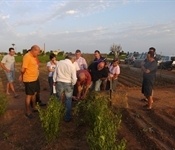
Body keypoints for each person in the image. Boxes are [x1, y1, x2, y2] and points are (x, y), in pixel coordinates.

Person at [53, 54, 77, 122]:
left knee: (58, 99)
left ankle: (56, 114)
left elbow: (55, 73)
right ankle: (67, 117)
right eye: (74, 60)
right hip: (68, 83)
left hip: (59, 82)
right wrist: (73, 84)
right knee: (68, 100)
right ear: (72, 59)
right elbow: (74, 78)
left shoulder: (59, 63)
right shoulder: (72, 66)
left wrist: (54, 81)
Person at [19, 45, 41, 119]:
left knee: (34, 93)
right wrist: (21, 75)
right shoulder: (27, 56)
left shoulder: (34, 56)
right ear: (34, 50)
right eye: (38, 52)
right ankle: (28, 111)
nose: (38, 53)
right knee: (29, 95)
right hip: (29, 79)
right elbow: (23, 69)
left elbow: (37, 64)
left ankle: (34, 107)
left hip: (35, 78)